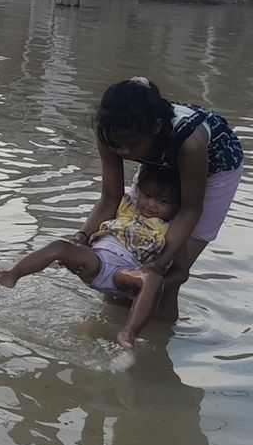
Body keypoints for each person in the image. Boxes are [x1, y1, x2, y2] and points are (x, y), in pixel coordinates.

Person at [81, 77, 244, 322]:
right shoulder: (111, 131)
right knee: (122, 260)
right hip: (157, 164)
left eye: (131, 145)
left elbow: (190, 210)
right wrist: (82, 238)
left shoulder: (190, 142)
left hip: (214, 170)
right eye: (117, 145)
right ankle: (109, 329)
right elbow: (110, 196)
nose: (123, 152)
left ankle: (158, 345)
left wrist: (157, 265)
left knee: (169, 275)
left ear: (156, 127)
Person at [0, 165, 180, 350]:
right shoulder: (127, 205)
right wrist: (80, 240)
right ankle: (12, 275)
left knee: (151, 279)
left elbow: (176, 267)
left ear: (176, 206)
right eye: (147, 195)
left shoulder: (171, 227)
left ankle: (129, 332)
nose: (152, 204)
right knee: (61, 246)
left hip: (123, 273)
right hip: (96, 261)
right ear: (139, 192)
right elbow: (109, 198)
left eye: (163, 202)